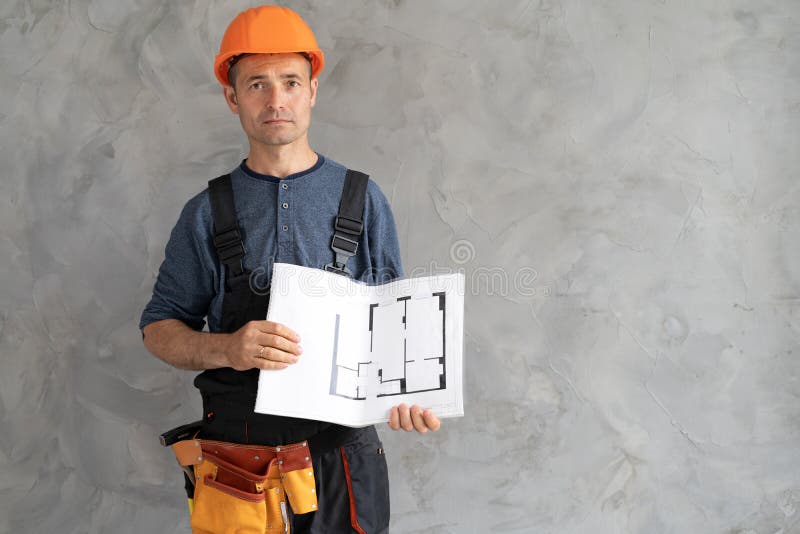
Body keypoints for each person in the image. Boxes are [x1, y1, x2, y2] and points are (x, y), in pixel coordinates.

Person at [139, 5, 439, 533]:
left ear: (312, 90)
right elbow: (159, 327)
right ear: (233, 97)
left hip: (340, 462)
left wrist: (407, 396)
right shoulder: (207, 213)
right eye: (256, 84)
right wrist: (225, 348)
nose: (275, 100)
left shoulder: (363, 199)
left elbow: (396, 327)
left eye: (290, 82)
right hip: (238, 466)